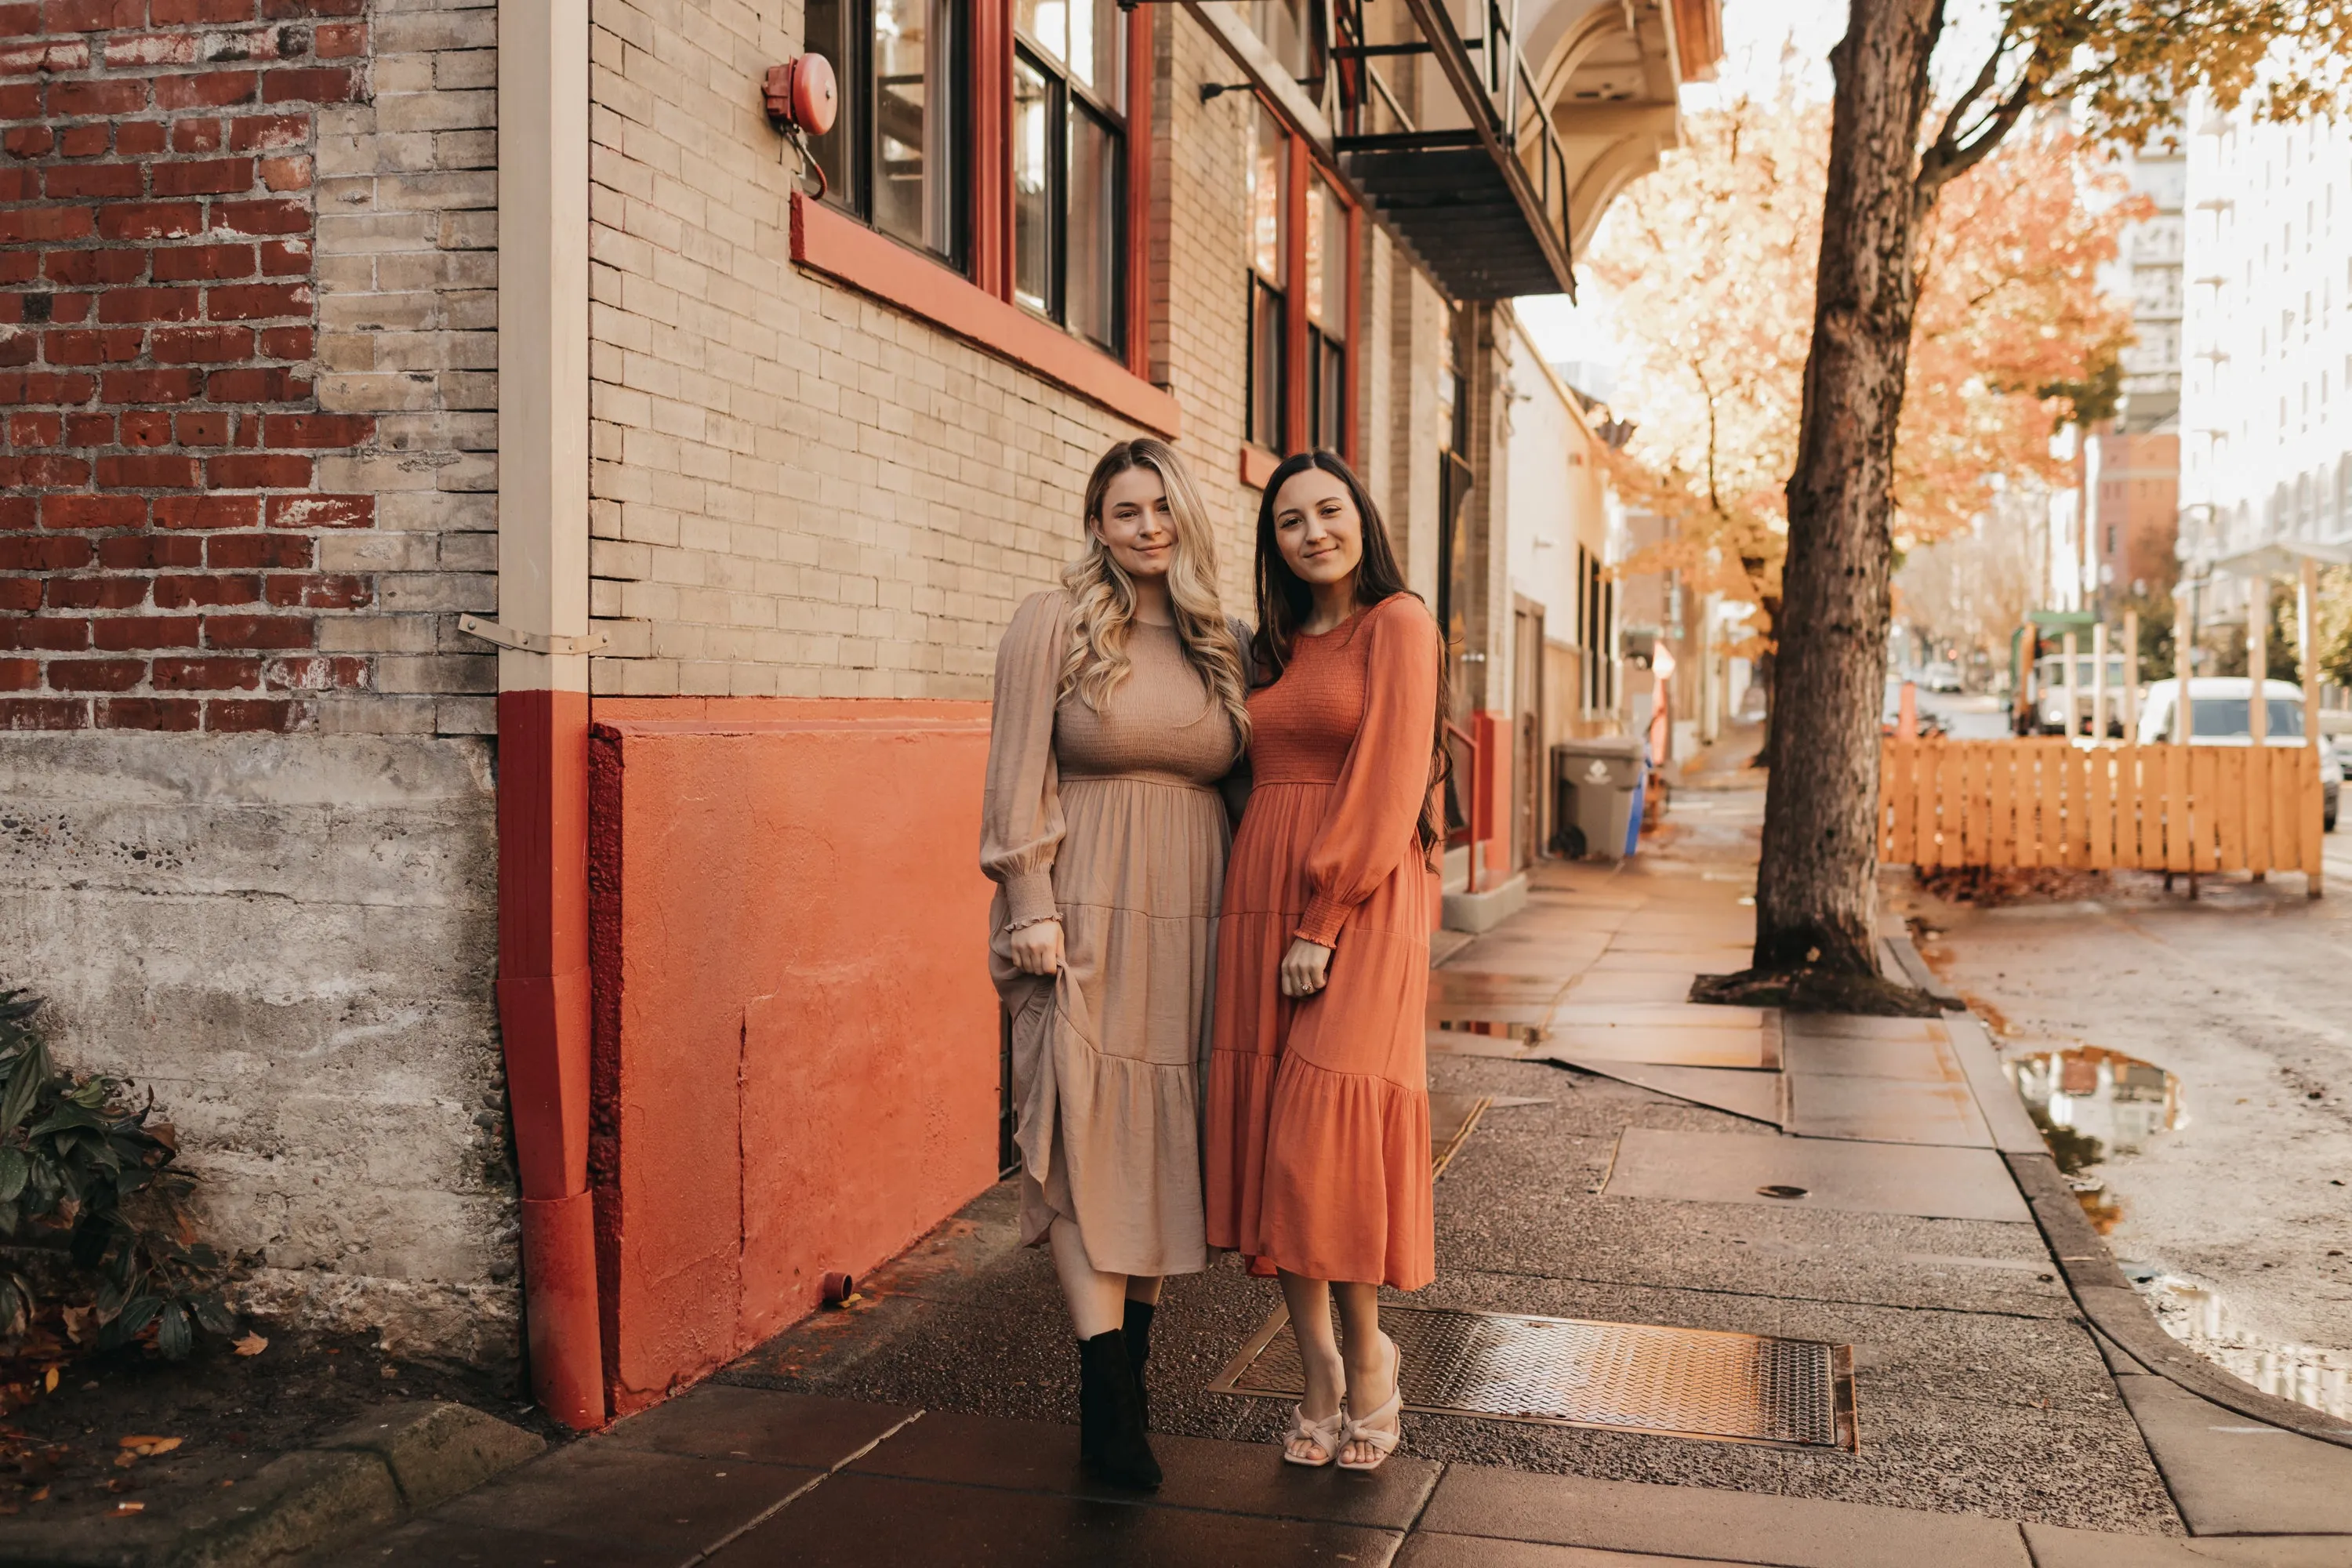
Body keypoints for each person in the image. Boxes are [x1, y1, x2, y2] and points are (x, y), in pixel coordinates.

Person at [980, 437, 1253, 1490]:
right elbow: (1015, 769)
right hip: (1082, 907)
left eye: (1159, 508)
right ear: (1097, 524)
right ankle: (1105, 1398)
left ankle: (1130, 1383)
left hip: (1195, 917)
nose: (1145, 526)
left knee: (1156, 1140)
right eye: (1123, 510)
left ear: (1185, 516)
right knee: (1081, 1124)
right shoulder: (1052, 623)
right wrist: (1027, 901)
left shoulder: (1221, 640)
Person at [1205, 449, 1444, 1473]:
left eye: (1329, 511)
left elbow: (1391, 778)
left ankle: (1373, 1364)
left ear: (1362, 517)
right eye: (1290, 520)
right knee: (1274, 1145)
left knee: (1325, 1140)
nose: (1313, 533)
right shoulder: (1268, 646)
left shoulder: (1399, 622)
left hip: (1360, 895)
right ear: (1276, 542)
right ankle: (1317, 1374)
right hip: (1263, 885)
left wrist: (1325, 918)